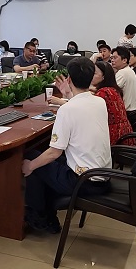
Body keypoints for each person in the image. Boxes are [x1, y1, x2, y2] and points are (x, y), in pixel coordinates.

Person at [22, 57, 112, 233]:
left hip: (83, 181)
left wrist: (29, 166)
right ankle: (47, 216)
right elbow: (80, 105)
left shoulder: (67, 110)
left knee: (33, 157)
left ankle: (41, 219)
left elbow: (53, 153)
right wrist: (68, 94)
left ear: (69, 79)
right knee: (45, 160)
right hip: (102, 176)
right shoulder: (99, 101)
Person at [49, 61, 136, 147]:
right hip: (122, 134)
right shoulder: (111, 90)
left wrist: (60, 101)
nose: (90, 76)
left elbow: (82, 110)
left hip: (113, 137)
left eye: (94, 73)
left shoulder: (103, 94)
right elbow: (80, 105)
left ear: (103, 77)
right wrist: (68, 93)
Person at [110, 46, 136, 117]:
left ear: (124, 60)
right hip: (134, 111)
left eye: (115, 58)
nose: (112, 60)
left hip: (127, 113)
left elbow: (110, 91)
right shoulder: (128, 70)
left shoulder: (122, 73)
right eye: (111, 58)